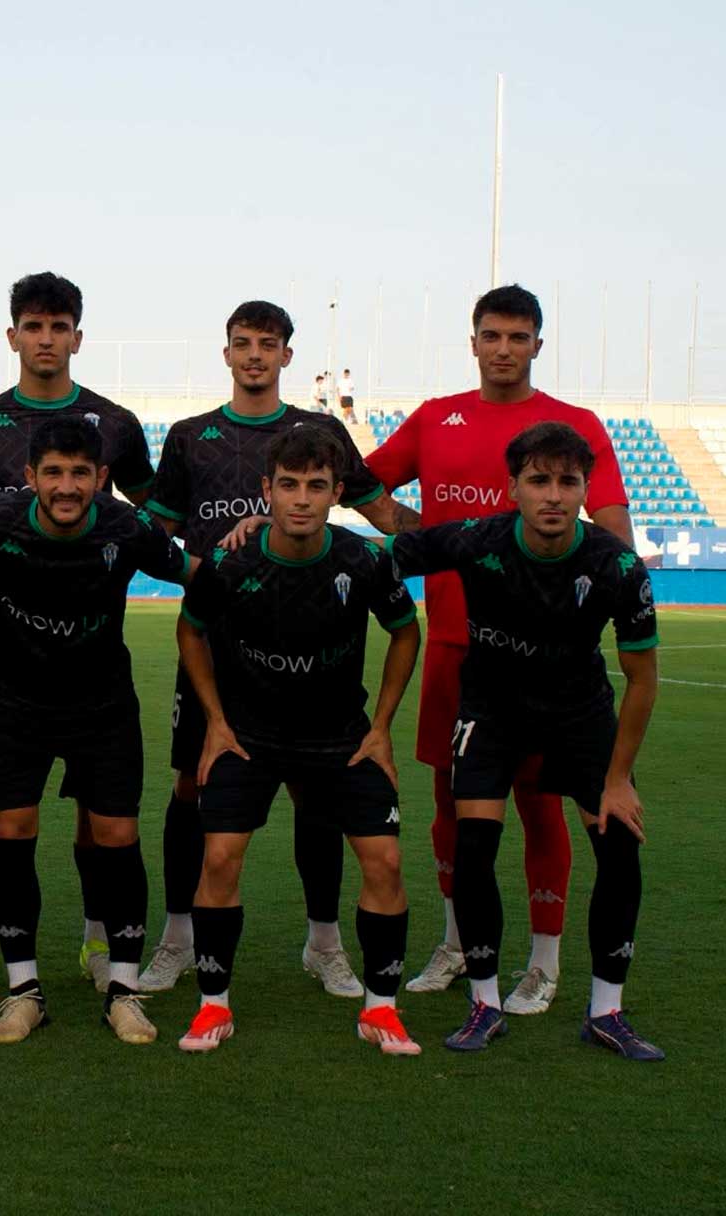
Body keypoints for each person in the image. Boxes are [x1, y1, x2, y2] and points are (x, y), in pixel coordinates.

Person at [363, 283, 632, 1015]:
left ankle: (543, 962)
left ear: (538, 344)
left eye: (519, 337)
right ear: (473, 341)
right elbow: (364, 486)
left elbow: (613, 532)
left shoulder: (573, 425)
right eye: (492, 335)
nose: (505, 349)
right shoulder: (434, 418)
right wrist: (426, 534)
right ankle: (458, 944)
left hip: (547, 663)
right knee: (453, 806)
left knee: (543, 810)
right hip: (455, 648)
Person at [141, 300, 411, 998]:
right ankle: (177, 938)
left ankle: (324, 943)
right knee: (190, 786)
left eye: (268, 344)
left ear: (288, 356)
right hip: (215, 645)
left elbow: (382, 515)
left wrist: (474, 537)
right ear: (225, 353)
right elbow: (153, 532)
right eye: (242, 344)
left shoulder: (320, 432)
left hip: (305, 643)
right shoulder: (191, 437)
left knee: (316, 792)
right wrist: (204, 567)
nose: (255, 355)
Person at [0, 271, 156, 999]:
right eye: (33, 326)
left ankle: (93, 941)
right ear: (13, 335)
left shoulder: (113, 422)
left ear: (78, 337)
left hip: (90, 648)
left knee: (98, 805)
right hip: (0, 640)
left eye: (60, 327)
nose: (46, 339)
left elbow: (154, 509)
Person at [387, 421, 662, 1060]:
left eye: (568, 482)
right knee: (474, 842)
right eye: (538, 480)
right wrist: (281, 530)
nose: (553, 495)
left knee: (620, 847)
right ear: (513, 487)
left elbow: (643, 679)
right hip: (492, 708)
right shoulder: (479, 539)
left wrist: (618, 780)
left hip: (580, 714)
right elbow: (385, 557)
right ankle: (484, 1003)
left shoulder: (616, 565)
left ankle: (606, 1011)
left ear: (585, 490)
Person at [0, 418, 196, 1044]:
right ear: (30, 477)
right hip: (14, 703)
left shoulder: (127, 527)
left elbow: (198, 575)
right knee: (10, 827)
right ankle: (23, 990)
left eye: (80, 473)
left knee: (116, 833)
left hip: (101, 705)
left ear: (101, 479)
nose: (67, 485)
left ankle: (123, 990)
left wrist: (251, 546)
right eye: (53, 472)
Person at [174, 426, 423, 1055]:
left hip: (341, 736)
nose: (302, 499)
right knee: (221, 857)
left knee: (386, 861)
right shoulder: (234, 561)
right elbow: (190, 629)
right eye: (289, 485)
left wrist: (383, 727)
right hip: (249, 735)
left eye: (317, 486)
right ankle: (211, 1006)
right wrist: (216, 722)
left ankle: (383, 1009)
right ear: (267, 490)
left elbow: (405, 631)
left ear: (339, 493)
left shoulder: (363, 559)